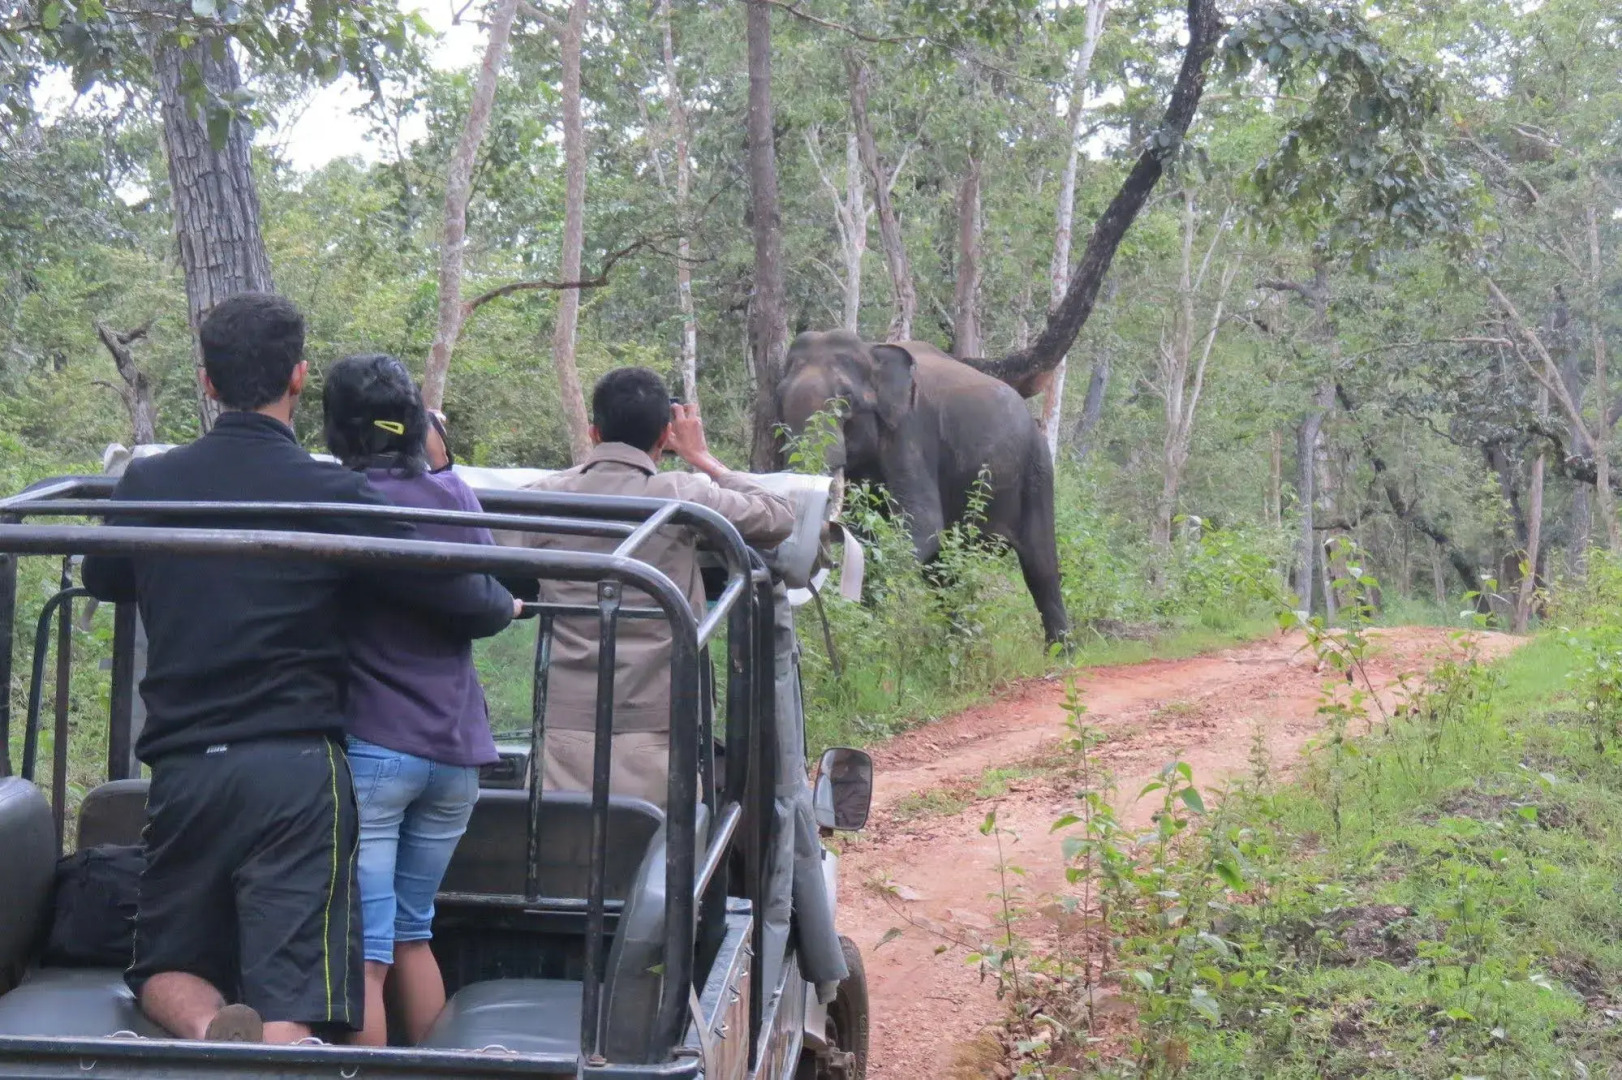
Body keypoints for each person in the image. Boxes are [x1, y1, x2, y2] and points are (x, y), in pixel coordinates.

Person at [80, 294, 518, 1045]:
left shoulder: (150, 487)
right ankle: (281, 1043)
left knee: (162, 967)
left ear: (206, 383)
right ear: (298, 377)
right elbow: (468, 602)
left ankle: (214, 1025)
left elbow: (104, 578)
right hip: (298, 772)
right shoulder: (333, 495)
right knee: (298, 992)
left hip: (186, 766)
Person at [499, 367, 795, 808]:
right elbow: (779, 516)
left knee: (562, 865)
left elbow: (484, 550)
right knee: (660, 867)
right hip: (663, 728)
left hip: (565, 726)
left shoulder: (544, 498)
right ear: (666, 434)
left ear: (594, 431)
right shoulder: (682, 495)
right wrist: (702, 456)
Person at [320, 354, 505, 1047]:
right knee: (411, 934)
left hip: (374, 746)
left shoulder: (341, 502)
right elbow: (487, 579)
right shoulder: (451, 493)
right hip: (456, 752)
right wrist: (439, 458)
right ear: (420, 424)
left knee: (364, 955)